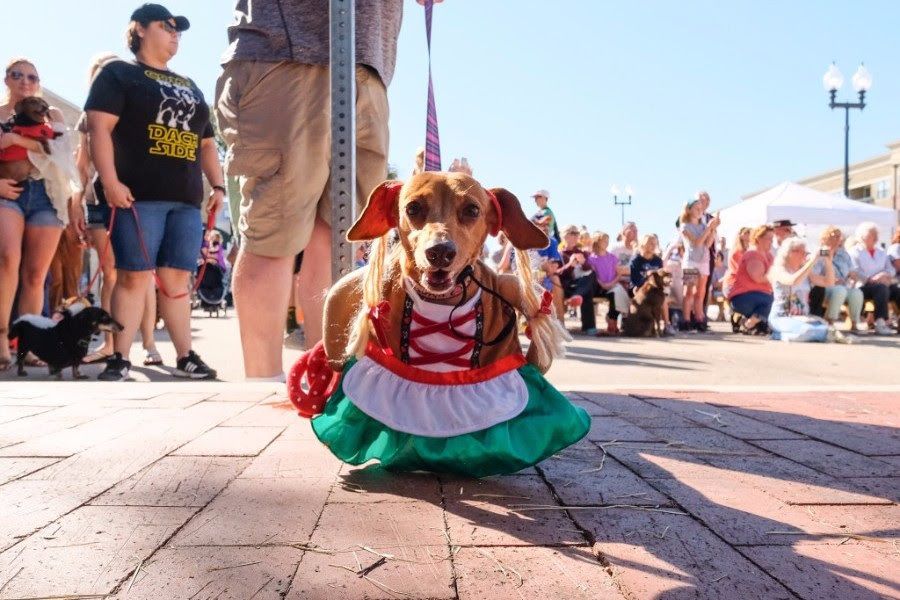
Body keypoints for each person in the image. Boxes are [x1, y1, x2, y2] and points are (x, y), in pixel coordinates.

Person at [215, 1, 402, 380]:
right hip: (288, 51)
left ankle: (329, 384)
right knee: (275, 237)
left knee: (340, 240)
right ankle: (262, 389)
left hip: (368, 63)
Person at [85, 4, 224, 380]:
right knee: (133, 276)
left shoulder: (190, 85)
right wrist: (110, 182)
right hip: (137, 197)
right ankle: (119, 357)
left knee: (177, 279)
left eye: (179, 28)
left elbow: (207, 144)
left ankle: (185, 355)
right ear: (140, 29)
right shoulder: (118, 74)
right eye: (167, 26)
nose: (176, 32)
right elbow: (98, 128)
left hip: (186, 200)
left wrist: (219, 185)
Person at [0, 58, 66, 371]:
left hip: (46, 194)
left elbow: (60, 152)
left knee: (36, 275)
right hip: (7, 191)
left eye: (31, 76)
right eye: (17, 74)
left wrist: (14, 139)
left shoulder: (51, 114)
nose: (25, 80)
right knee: (7, 260)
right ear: (6, 79)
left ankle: (29, 346)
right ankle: (2, 339)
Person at [768, 237, 843, 342]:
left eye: (805, 252)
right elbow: (793, 281)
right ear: (789, 252)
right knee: (810, 330)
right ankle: (780, 334)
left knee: (824, 328)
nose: (805, 255)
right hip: (782, 317)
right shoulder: (778, 270)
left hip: (803, 318)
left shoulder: (805, 271)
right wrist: (813, 260)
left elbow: (829, 282)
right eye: (801, 252)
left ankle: (786, 335)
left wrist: (828, 261)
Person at [808, 226, 863, 332]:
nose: (838, 239)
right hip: (825, 286)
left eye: (839, 236)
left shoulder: (843, 254)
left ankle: (854, 322)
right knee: (840, 291)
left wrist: (853, 278)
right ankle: (830, 320)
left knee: (857, 292)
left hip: (842, 285)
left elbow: (852, 270)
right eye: (834, 236)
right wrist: (831, 280)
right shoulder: (821, 252)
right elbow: (813, 274)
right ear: (825, 238)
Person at [848, 222, 899, 335]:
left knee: (896, 290)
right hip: (862, 287)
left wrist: (884, 275)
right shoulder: (854, 252)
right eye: (872, 235)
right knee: (881, 288)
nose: (876, 238)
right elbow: (855, 271)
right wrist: (871, 279)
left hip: (882, 285)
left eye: (876, 235)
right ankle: (881, 322)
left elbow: (891, 269)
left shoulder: (881, 252)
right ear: (862, 236)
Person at [679, 200, 719, 332]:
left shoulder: (703, 226)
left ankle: (699, 318)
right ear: (689, 209)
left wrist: (713, 229)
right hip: (691, 261)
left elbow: (707, 244)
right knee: (689, 292)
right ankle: (686, 320)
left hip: (704, 261)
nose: (699, 210)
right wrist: (708, 228)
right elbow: (696, 243)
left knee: (701, 293)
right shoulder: (685, 227)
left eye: (700, 208)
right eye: (696, 208)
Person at [727, 225, 774, 334]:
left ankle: (746, 322)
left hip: (760, 296)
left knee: (763, 325)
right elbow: (758, 278)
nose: (771, 242)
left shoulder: (769, 256)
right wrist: (776, 275)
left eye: (772, 239)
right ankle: (747, 323)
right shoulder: (753, 254)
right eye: (769, 239)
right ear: (758, 238)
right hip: (745, 296)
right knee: (773, 302)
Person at [558, 225, 598, 334]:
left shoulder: (583, 252)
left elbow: (589, 269)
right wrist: (570, 265)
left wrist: (583, 262)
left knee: (590, 276)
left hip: (583, 283)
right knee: (586, 292)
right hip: (569, 285)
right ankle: (589, 327)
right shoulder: (560, 254)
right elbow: (558, 274)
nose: (576, 236)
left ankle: (577, 295)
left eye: (577, 234)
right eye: (573, 233)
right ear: (564, 236)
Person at [586, 231, 624, 335]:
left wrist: (611, 283)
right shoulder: (591, 258)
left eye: (607, 241)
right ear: (597, 242)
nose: (606, 243)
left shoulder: (612, 257)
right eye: (604, 241)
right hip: (599, 286)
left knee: (615, 295)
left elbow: (619, 273)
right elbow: (593, 275)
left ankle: (612, 323)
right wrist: (603, 284)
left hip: (612, 285)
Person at [610, 221, 638, 292]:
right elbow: (612, 269)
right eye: (632, 230)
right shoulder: (614, 248)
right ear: (624, 232)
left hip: (634, 283)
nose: (635, 233)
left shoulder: (639, 250)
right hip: (616, 282)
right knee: (618, 290)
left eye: (636, 231)